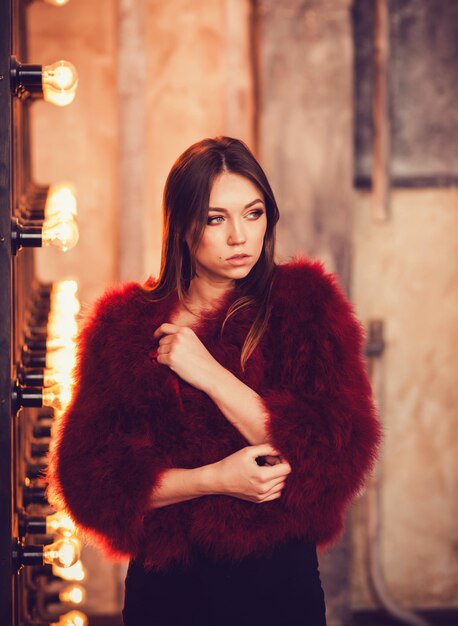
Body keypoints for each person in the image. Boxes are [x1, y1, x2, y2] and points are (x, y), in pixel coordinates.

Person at [46, 136, 383, 626]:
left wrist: (207, 372)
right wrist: (215, 479)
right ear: (183, 225)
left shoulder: (304, 306)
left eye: (253, 213)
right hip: (168, 590)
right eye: (215, 218)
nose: (240, 237)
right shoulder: (124, 326)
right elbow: (92, 483)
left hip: (278, 584)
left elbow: (333, 456)